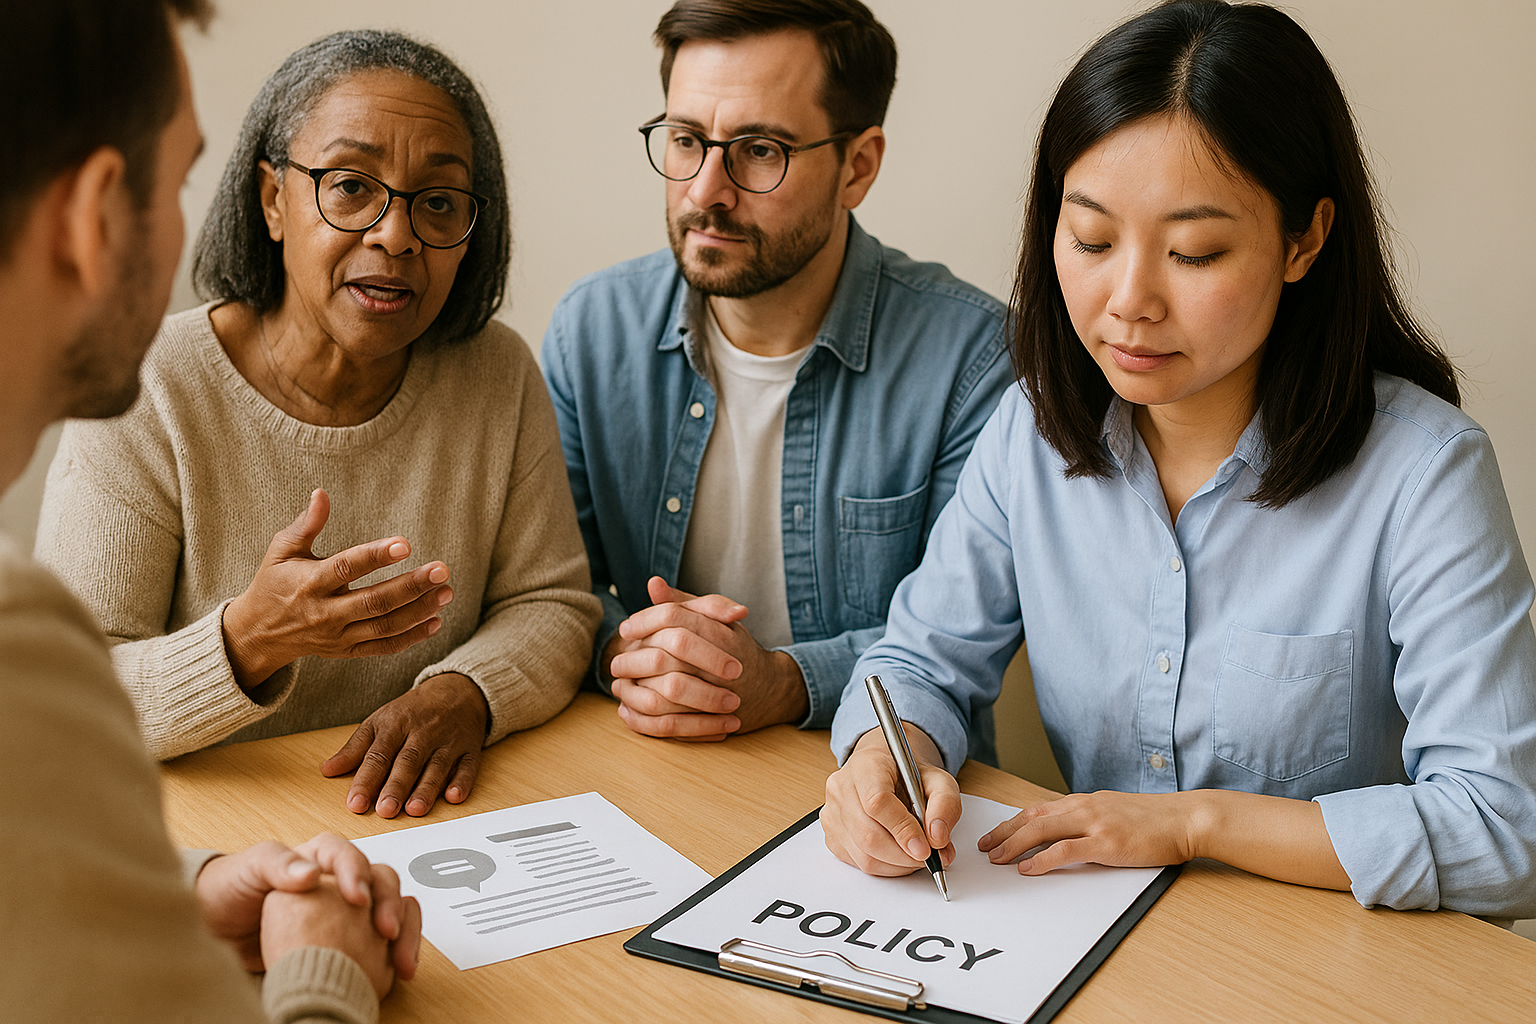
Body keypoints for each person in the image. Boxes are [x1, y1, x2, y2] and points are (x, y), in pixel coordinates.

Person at [822, 0, 1536, 918]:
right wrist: (887, 756)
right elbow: (921, 660)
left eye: (1194, 252)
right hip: (1086, 942)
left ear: (1304, 240)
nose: (1129, 301)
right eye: (1090, 239)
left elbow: (1506, 831)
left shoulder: (1425, 475)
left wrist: (1196, 824)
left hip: (1328, 966)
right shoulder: (1029, 433)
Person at [36, 29, 602, 819]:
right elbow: (63, 695)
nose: (395, 235)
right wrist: (250, 639)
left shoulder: (495, 372)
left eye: (438, 202)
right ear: (273, 200)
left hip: (426, 823)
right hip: (204, 844)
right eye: (350, 186)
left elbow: (552, 604)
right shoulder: (150, 384)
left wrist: (462, 692)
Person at [0, 1, 421, 1020]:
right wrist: (323, 972)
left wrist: (184, 891)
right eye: (181, 177)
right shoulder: (21, 655)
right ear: (97, 215)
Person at [543, 0, 1012, 752]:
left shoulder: (974, 358)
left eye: (759, 150)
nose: (705, 191)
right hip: (648, 762)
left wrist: (781, 682)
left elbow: (962, 641)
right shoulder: (590, 333)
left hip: (872, 785)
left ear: (858, 167)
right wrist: (630, 652)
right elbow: (554, 589)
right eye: (687, 140)